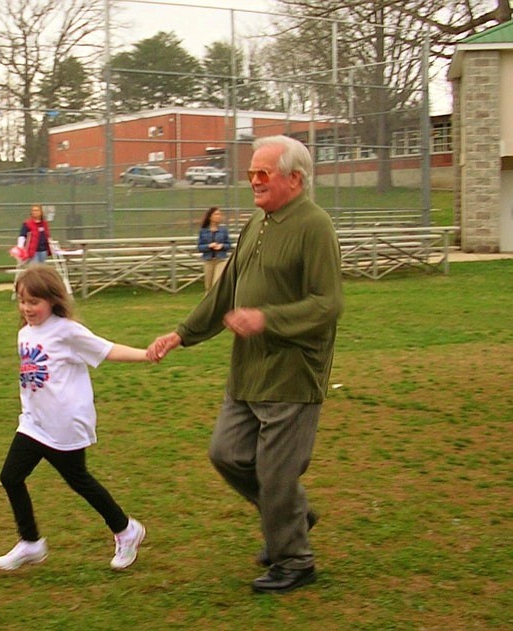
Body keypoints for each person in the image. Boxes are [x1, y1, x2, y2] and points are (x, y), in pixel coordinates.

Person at [147, 135, 343, 594]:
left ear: (294, 179)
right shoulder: (258, 223)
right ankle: (294, 515)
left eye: (262, 174)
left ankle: (295, 560)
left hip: (292, 374)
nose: (252, 181)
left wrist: (267, 318)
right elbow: (224, 290)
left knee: (276, 474)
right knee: (227, 453)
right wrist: (182, 334)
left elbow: (328, 304)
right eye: (250, 173)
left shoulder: (315, 227)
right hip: (248, 371)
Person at [0, 264, 149, 572]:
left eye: (34, 302)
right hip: (33, 423)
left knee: (79, 480)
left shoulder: (67, 331)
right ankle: (31, 543)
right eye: (22, 301)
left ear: (53, 300)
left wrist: (146, 354)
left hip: (64, 424)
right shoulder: (25, 333)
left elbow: (106, 350)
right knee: (11, 477)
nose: (27, 308)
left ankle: (126, 530)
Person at [197, 206, 232, 291]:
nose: (219, 216)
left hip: (221, 260)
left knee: (216, 284)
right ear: (210, 217)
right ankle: (208, 303)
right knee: (208, 287)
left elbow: (229, 245)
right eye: (216, 214)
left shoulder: (223, 230)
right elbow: (199, 247)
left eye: (220, 214)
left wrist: (222, 246)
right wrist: (209, 246)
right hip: (208, 260)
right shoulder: (203, 231)